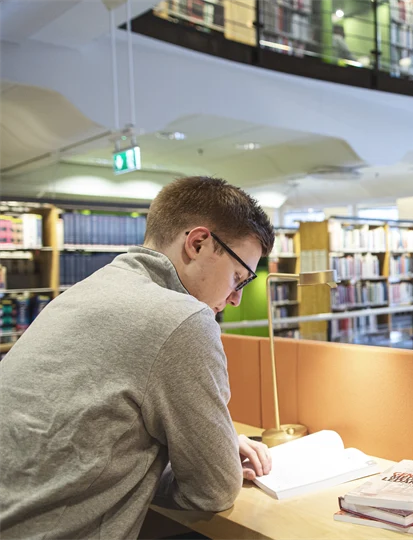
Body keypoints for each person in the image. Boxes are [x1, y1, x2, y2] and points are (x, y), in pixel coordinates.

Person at [0, 177, 275, 539]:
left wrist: (208, 445)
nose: (238, 298)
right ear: (198, 243)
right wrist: (210, 459)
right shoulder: (184, 318)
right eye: (239, 278)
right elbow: (214, 490)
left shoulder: (85, 290)